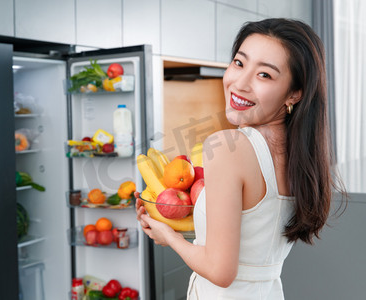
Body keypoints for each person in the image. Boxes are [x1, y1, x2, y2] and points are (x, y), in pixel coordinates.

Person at [136, 18, 345, 299]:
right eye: (239, 63)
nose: (240, 83)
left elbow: (221, 271)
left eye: (265, 75)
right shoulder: (302, 157)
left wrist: (169, 237)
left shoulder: (227, 146)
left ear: (294, 93)